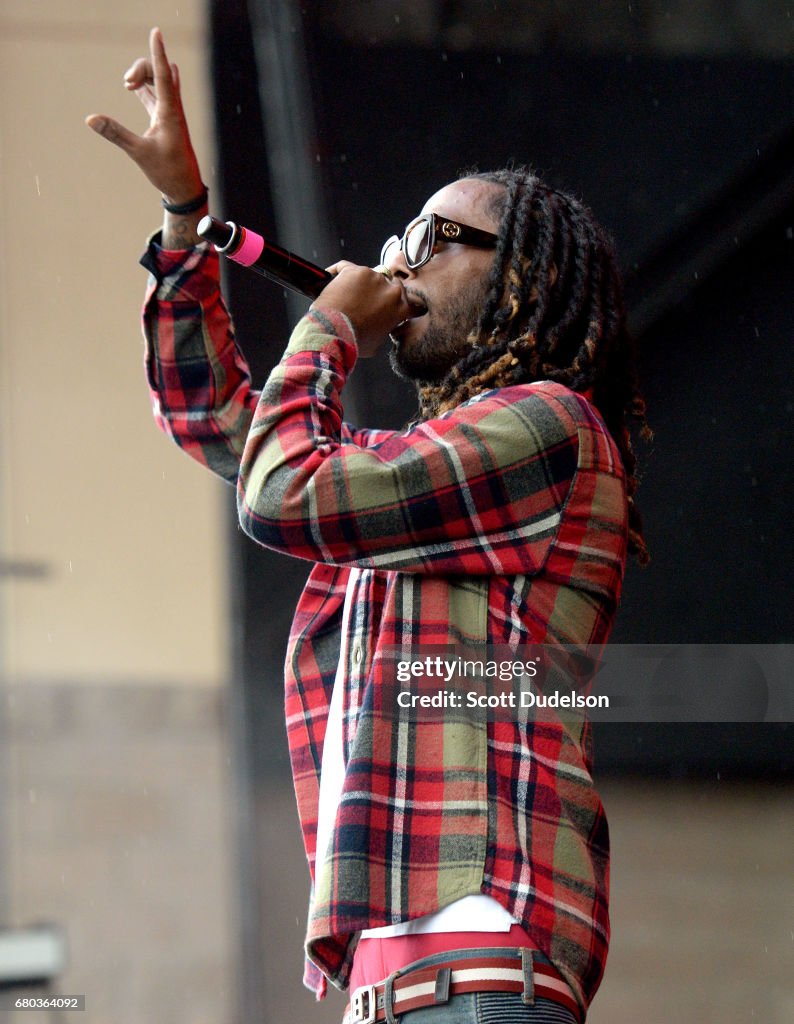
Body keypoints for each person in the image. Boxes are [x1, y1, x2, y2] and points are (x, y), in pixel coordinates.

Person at [87, 27, 650, 1024]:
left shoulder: (545, 429)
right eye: (397, 240)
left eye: (433, 239)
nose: (397, 260)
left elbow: (280, 489)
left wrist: (334, 327)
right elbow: (225, 429)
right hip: (403, 994)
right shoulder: (426, 489)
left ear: (520, 275)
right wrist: (184, 220)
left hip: (474, 983)